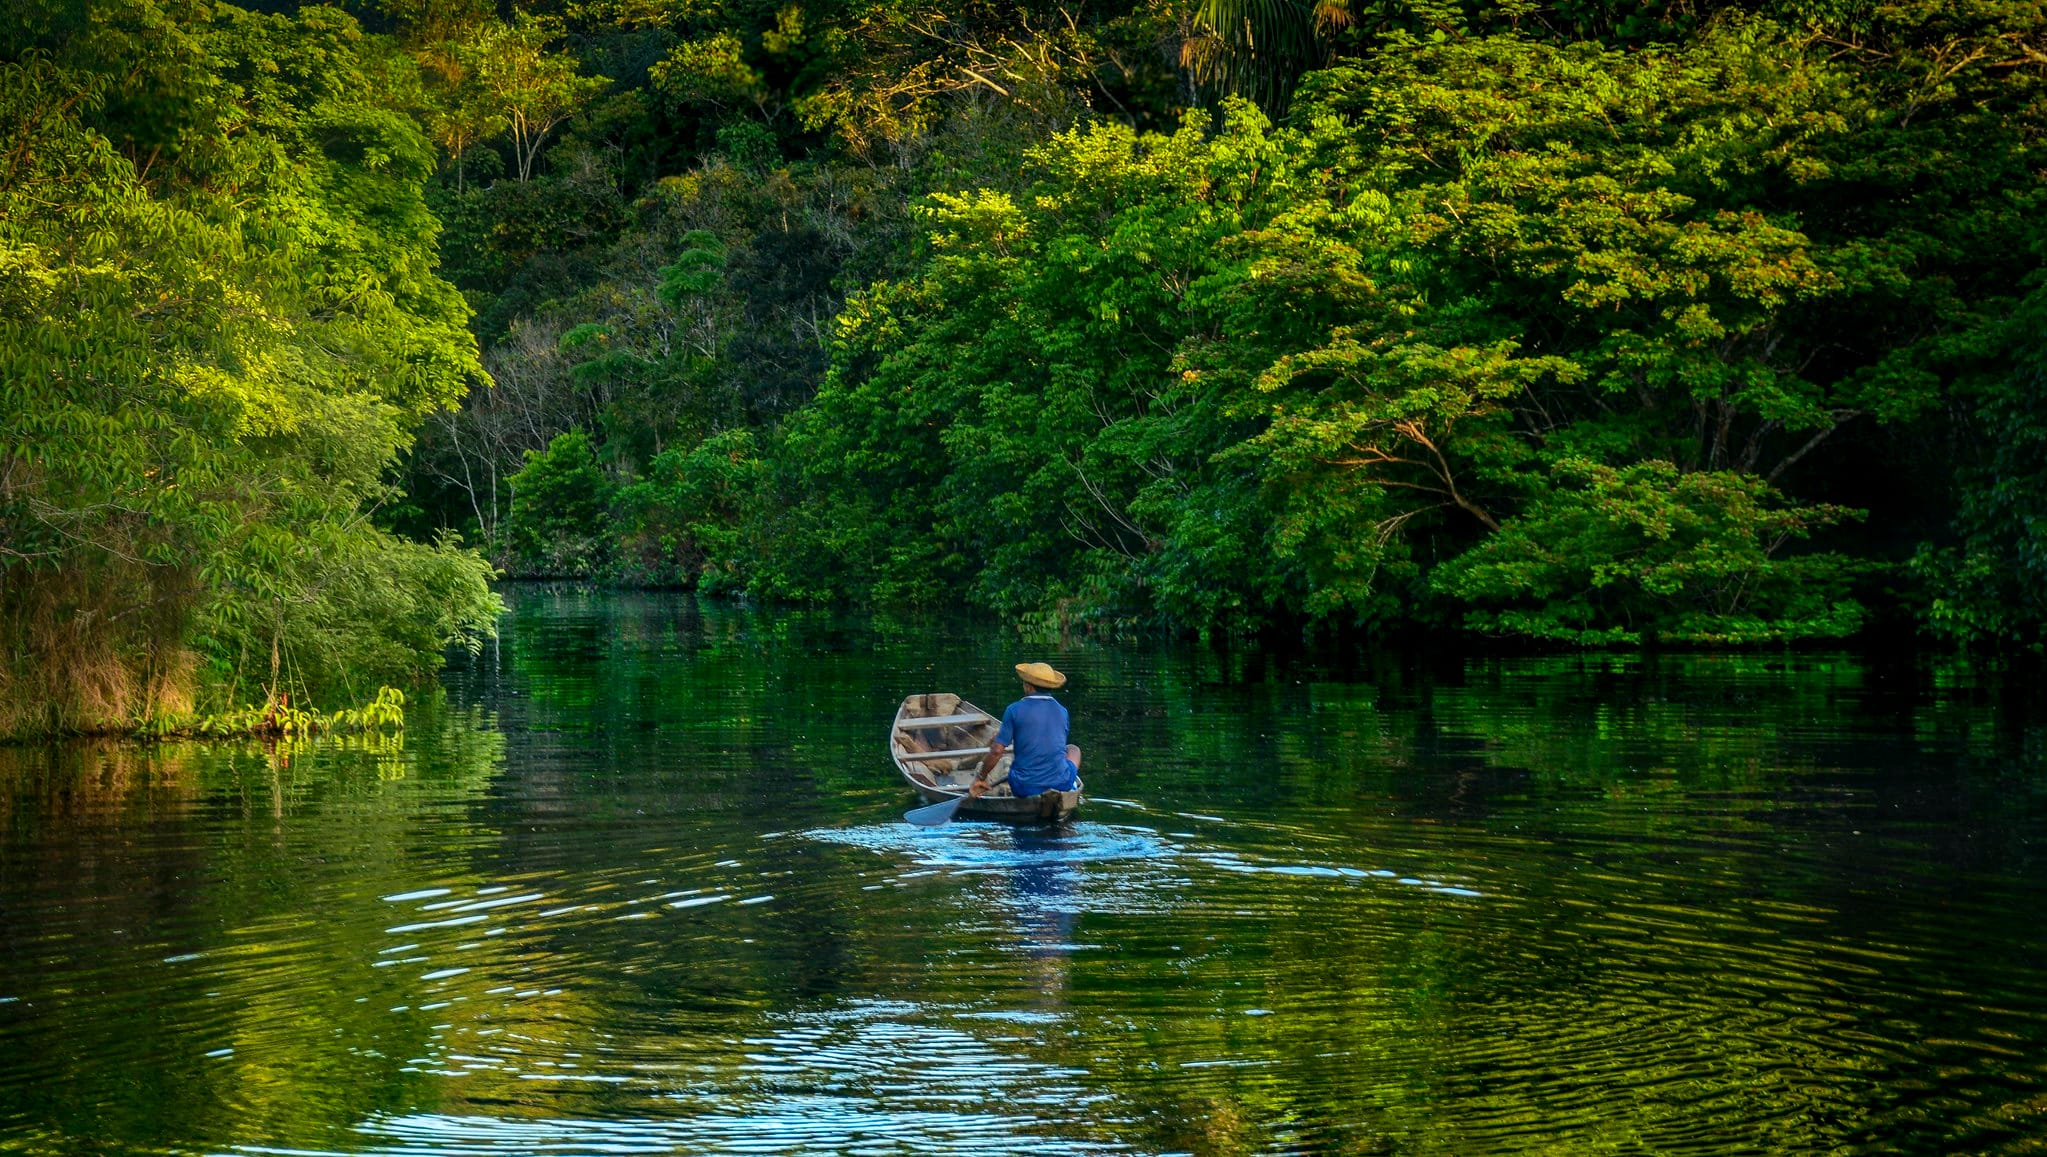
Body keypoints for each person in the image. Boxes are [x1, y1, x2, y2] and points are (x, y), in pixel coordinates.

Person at [969, 662, 1081, 799]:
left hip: (1024, 786)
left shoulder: (1014, 710)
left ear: (1028, 686)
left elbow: (997, 751)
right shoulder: (1063, 711)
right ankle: (1070, 787)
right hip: (1061, 783)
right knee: (1073, 749)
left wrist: (981, 778)